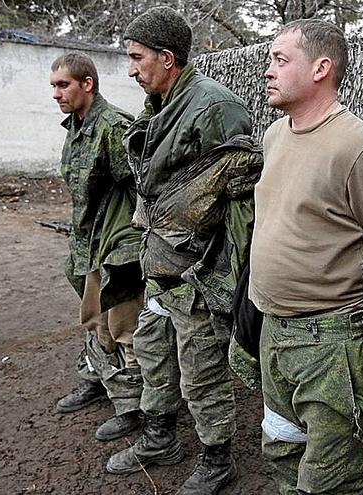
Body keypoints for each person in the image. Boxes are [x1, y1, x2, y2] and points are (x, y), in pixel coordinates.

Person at [104, 7, 263, 495]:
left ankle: (217, 459)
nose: (130, 69)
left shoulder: (214, 107)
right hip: (160, 262)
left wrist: (224, 280)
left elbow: (239, 203)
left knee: (201, 370)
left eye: (136, 58)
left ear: (167, 57)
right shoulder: (162, 103)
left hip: (198, 271)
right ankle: (160, 437)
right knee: (154, 352)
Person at [249, 19, 363, 494]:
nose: (267, 71)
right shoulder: (276, 134)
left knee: (328, 479)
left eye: (280, 60)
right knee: (282, 448)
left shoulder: (360, 150)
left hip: (330, 343)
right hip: (273, 331)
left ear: (321, 68)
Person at [49, 52, 146, 442]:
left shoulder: (112, 127)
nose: (56, 94)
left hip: (115, 245)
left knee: (124, 327)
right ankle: (99, 381)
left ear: (87, 84)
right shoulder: (76, 126)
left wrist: (128, 242)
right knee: (93, 321)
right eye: (53, 86)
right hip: (86, 243)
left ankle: (133, 406)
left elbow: (143, 186)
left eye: (63, 85)